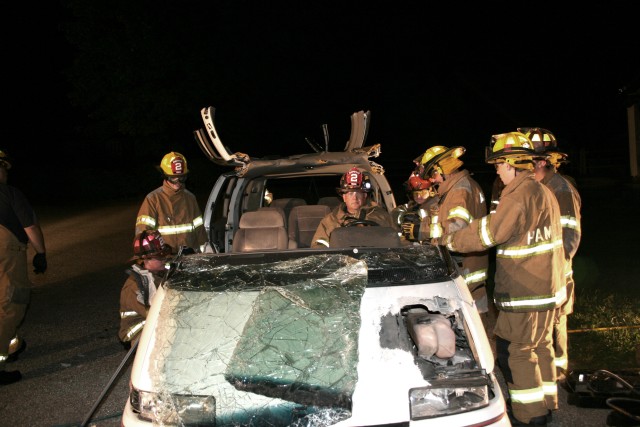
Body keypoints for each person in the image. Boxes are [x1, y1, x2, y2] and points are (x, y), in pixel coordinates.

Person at [434, 132, 566, 426]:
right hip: (548, 289)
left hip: (526, 291)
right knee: (540, 347)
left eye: (498, 165)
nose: (496, 170)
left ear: (510, 163)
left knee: (515, 352)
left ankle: (528, 416)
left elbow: (491, 233)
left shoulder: (519, 195)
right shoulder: (542, 191)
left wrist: (451, 241)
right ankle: (545, 405)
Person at [401, 146, 497, 345]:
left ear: (440, 170)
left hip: (467, 274)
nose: (433, 181)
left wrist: (422, 230)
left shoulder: (460, 191)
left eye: (433, 175)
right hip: (465, 273)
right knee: (471, 330)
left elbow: (455, 228)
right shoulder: (456, 188)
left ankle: (488, 371)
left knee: (476, 335)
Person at [522, 127, 582, 382]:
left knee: (556, 323)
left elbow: (571, 234)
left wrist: (556, 266)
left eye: (528, 162)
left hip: (556, 270)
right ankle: (547, 370)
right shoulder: (537, 187)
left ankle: (559, 373)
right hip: (540, 269)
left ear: (543, 162)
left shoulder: (560, 189)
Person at [0, 149, 47, 385]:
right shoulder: (10, 194)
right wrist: (40, 253)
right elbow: (30, 227)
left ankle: (13, 344)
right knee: (12, 304)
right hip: (7, 256)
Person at [135, 152, 207, 254]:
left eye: (181, 177)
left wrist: (205, 250)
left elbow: (200, 230)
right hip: (163, 257)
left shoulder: (190, 198)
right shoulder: (153, 199)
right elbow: (143, 233)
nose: (178, 181)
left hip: (189, 257)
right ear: (164, 176)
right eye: (173, 177)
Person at [311, 167, 394, 248]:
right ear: (344, 197)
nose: (355, 198)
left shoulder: (382, 216)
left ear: (364, 196)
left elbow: (397, 241)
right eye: (350, 194)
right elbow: (318, 247)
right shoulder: (331, 220)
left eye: (358, 193)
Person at [118, 230, 172, 349]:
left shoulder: (156, 272)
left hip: (153, 325)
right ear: (145, 259)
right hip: (139, 334)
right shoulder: (135, 287)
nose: (164, 259)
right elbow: (156, 313)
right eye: (160, 257)